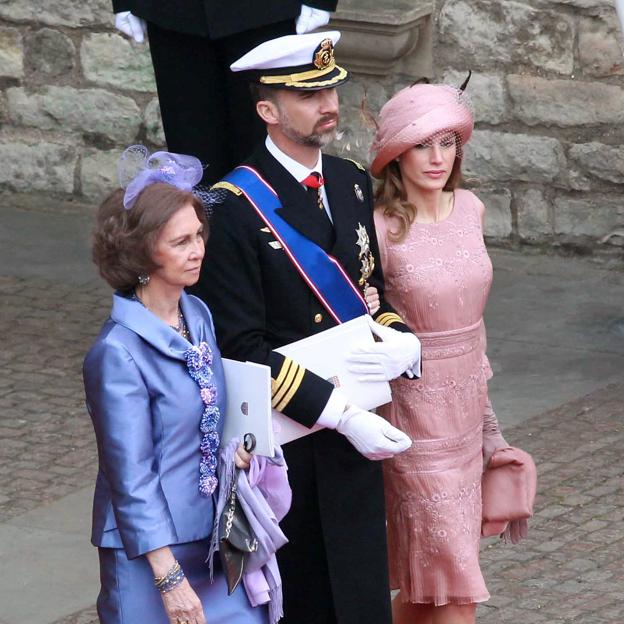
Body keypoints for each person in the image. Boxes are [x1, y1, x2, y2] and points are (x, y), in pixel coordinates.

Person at [191, 31, 422, 624]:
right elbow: (238, 348)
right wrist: (338, 411)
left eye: (331, 89)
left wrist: (400, 338)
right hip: (289, 443)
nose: (329, 104)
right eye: (309, 94)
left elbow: (369, 293)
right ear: (268, 110)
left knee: (364, 595)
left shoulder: (348, 181)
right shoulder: (231, 208)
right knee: (311, 602)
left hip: (357, 430)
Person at [83, 147, 272, 624]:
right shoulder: (117, 353)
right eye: (181, 241)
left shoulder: (197, 313)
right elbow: (131, 476)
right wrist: (168, 578)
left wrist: (234, 450)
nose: (199, 250)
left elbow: (207, 415)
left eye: (199, 235)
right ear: (144, 252)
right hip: (152, 555)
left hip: (216, 538)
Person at [369, 82, 525, 624]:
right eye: (421, 145)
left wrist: (489, 428)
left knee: (425, 589)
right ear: (395, 152)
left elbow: (475, 329)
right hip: (412, 421)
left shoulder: (472, 208)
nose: (437, 158)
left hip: (465, 416)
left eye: (447, 143)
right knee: (456, 591)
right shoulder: (379, 227)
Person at [112, 1, 338, 185]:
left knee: (267, 149)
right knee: (191, 155)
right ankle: (204, 235)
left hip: (266, 13)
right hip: (174, 12)